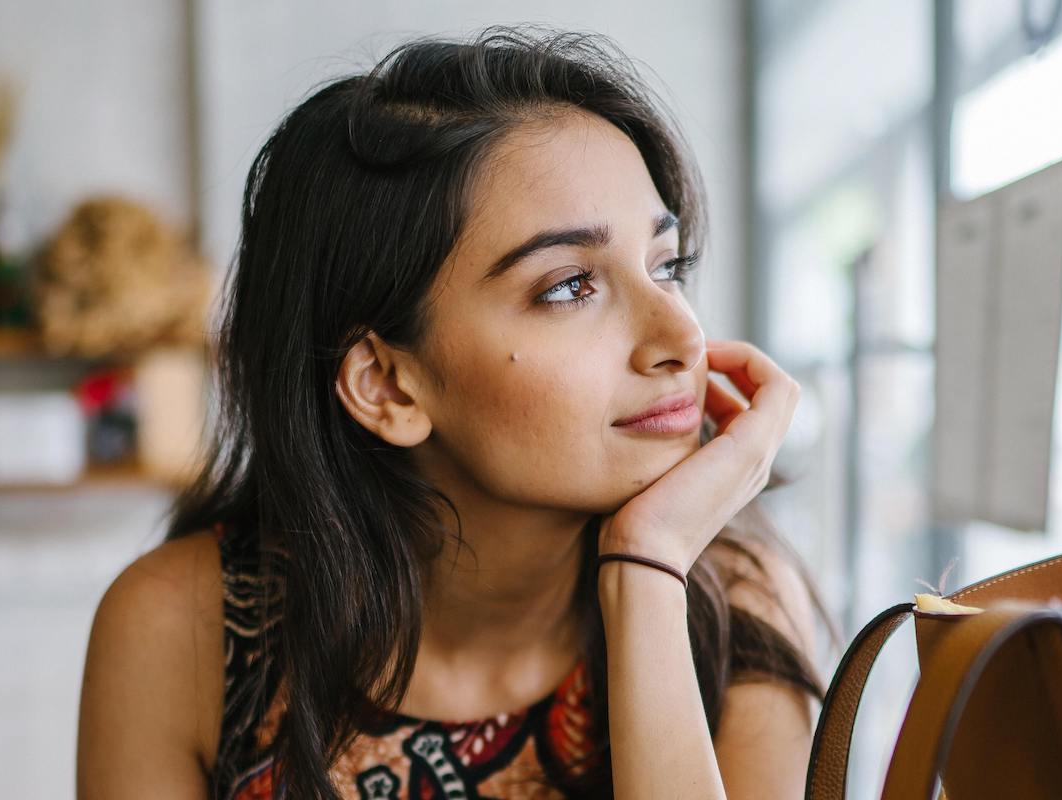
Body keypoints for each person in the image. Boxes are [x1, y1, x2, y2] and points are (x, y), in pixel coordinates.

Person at [76, 26, 825, 800]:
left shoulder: (738, 604)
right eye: (569, 286)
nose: (683, 337)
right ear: (388, 386)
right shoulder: (182, 631)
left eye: (666, 266)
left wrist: (647, 573)